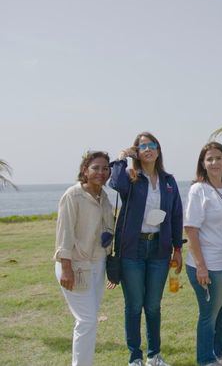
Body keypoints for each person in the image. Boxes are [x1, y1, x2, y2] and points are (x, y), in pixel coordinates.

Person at [110, 132, 183, 366]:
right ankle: (135, 358)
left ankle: (154, 355)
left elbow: (176, 215)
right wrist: (122, 158)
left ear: (158, 151)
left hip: (159, 250)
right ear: (137, 152)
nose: (148, 149)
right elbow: (114, 183)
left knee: (153, 306)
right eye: (142, 147)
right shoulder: (130, 177)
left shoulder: (169, 181)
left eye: (152, 145)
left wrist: (177, 248)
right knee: (133, 305)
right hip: (133, 248)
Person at [54, 151, 114, 366]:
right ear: (84, 170)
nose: (101, 172)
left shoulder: (105, 197)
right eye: (95, 167)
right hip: (75, 266)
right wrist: (66, 267)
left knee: (89, 321)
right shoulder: (73, 195)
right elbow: (64, 234)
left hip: (98, 264)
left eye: (105, 168)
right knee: (87, 320)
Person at [184, 142, 222, 366]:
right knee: (209, 314)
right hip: (209, 263)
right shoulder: (198, 190)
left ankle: (218, 354)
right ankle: (206, 359)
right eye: (209, 159)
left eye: (218, 158)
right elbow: (191, 230)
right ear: (203, 164)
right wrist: (201, 266)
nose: (215, 162)